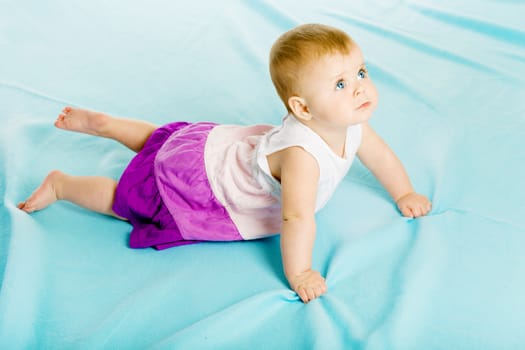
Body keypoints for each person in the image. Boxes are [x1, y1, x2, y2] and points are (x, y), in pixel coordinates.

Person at [18, 23, 432, 303]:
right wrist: (300, 272)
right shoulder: (303, 157)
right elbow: (297, 219)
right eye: (341, 84)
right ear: (302, 108)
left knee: (164, 142)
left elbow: (380, 156)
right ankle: (63, 185)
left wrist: (405, 191)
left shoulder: (352, 122)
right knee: (130, 201)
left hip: (218, 151)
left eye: (361, 72)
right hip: (205, 184)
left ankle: (109, 126)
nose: (360, 88)